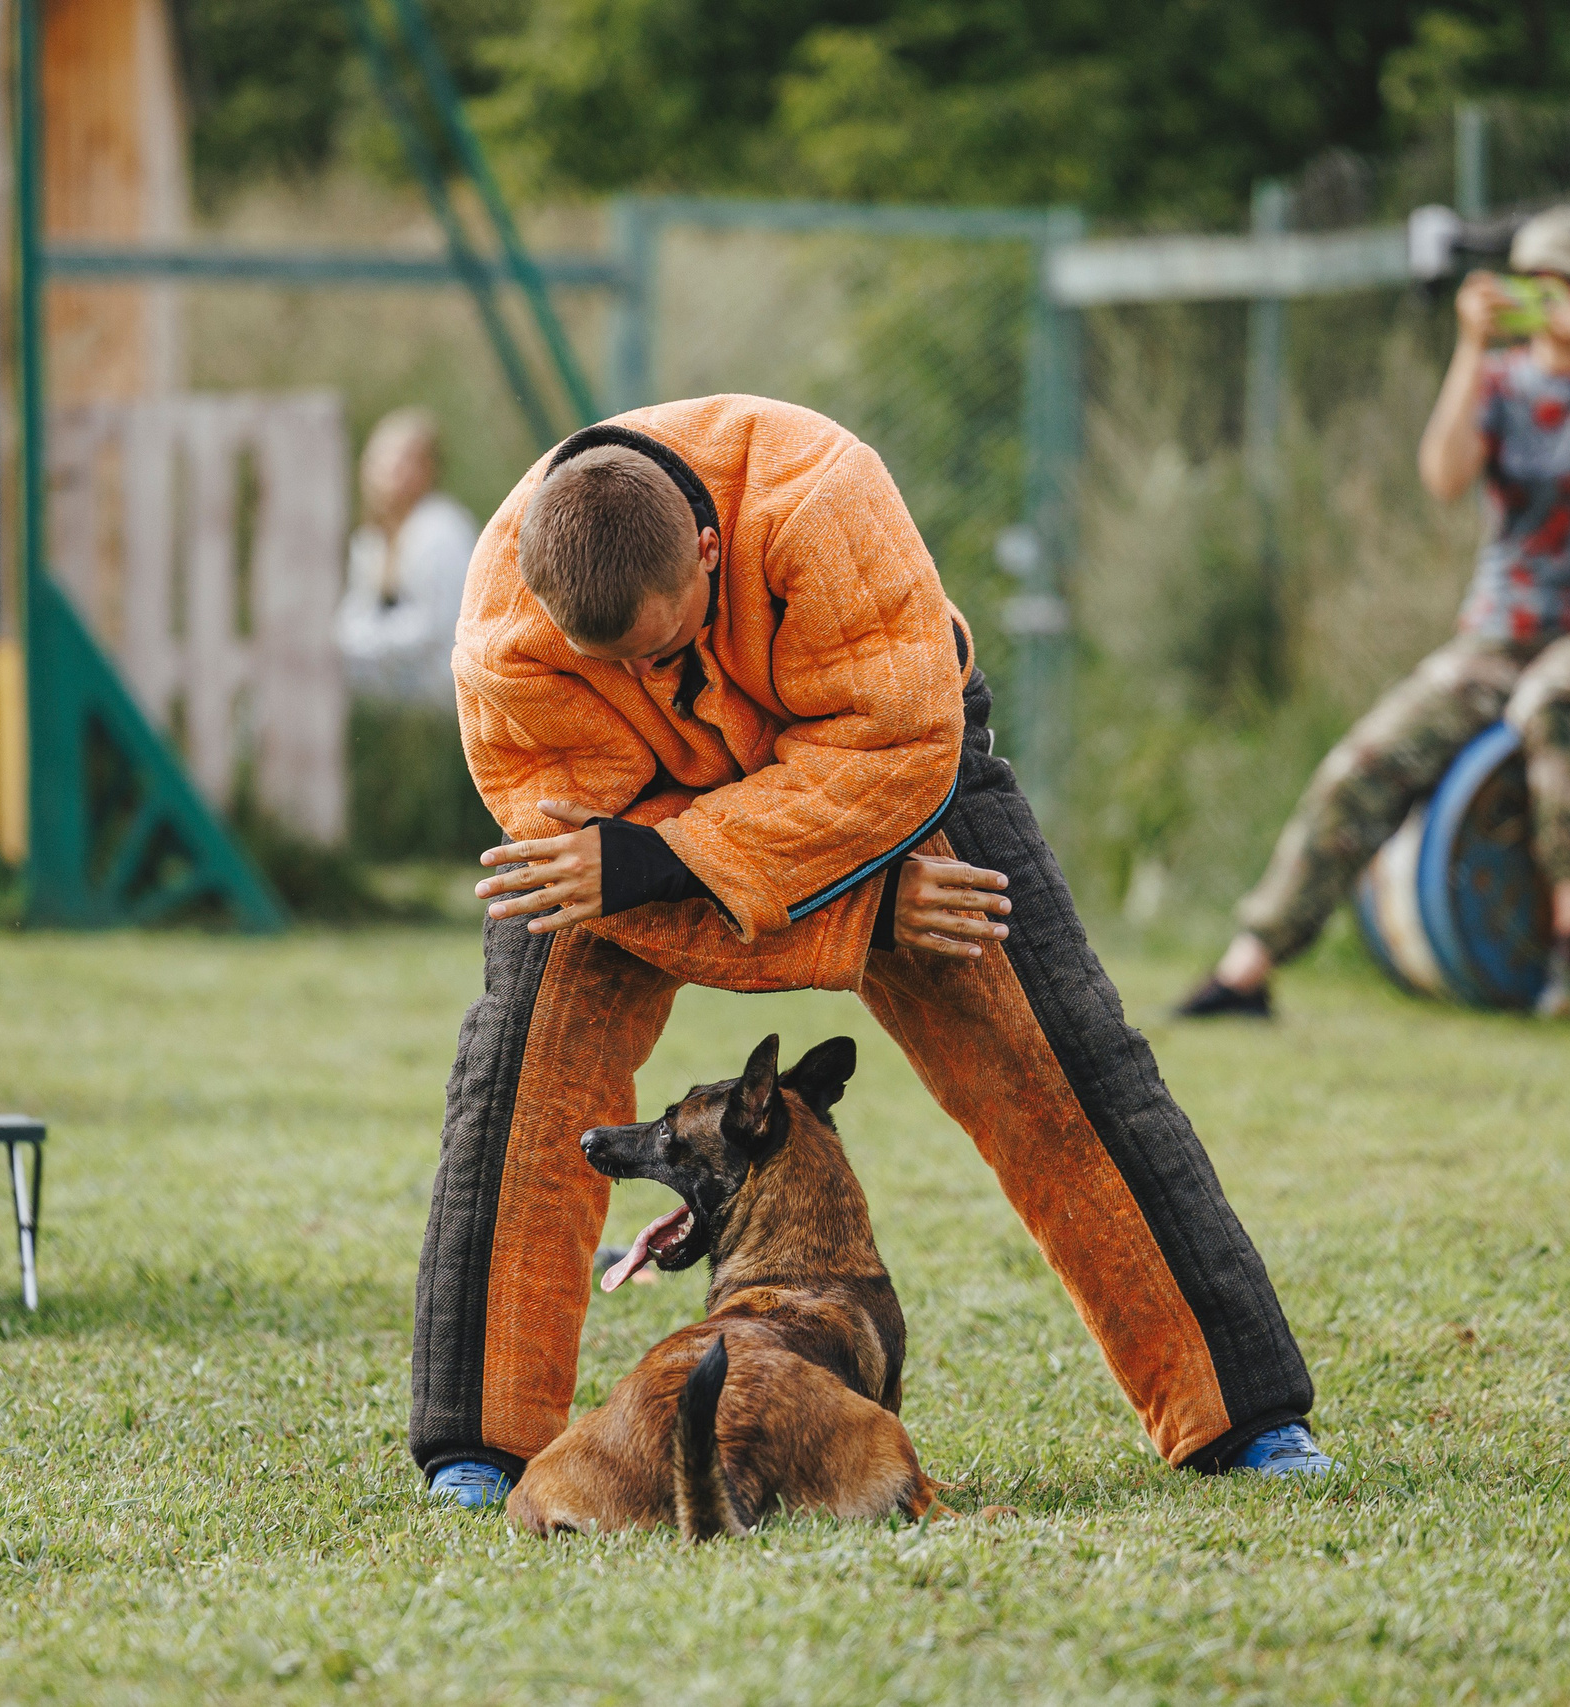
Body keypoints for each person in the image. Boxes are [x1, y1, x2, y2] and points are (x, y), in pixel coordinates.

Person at [414, 395, 1334, 1511]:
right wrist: (864, 918)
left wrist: (709, 863)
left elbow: (892, 752)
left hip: (890, 788)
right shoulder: (502, 633)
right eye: (615, 665)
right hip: (656, 849)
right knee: (518, 1082)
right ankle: (480, 1451)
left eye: (666, 646)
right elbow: (592, 875)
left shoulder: (822, 497)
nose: (651, 676)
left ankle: (1243, 1418)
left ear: (710, 554)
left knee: (1064, 1064)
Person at [1178, 206, 1570, 1023]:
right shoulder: (1501, 382)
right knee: (1367, 757)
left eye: (1568, 287)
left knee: (1552, 701)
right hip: (1500, 633)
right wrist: (1473, 349)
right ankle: (1250, 965)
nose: (1550, 303)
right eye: (1535, 286)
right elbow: (1444, 475)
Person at [336, 406, 480, 707]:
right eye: (382, 457)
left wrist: (356, 645)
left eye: (405, 458)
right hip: (395, 676)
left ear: (428, 469)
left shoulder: (441, 529)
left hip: (440, 683)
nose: (391, 468)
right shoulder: (372, 539)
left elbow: (437, 628)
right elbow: (358, 614)